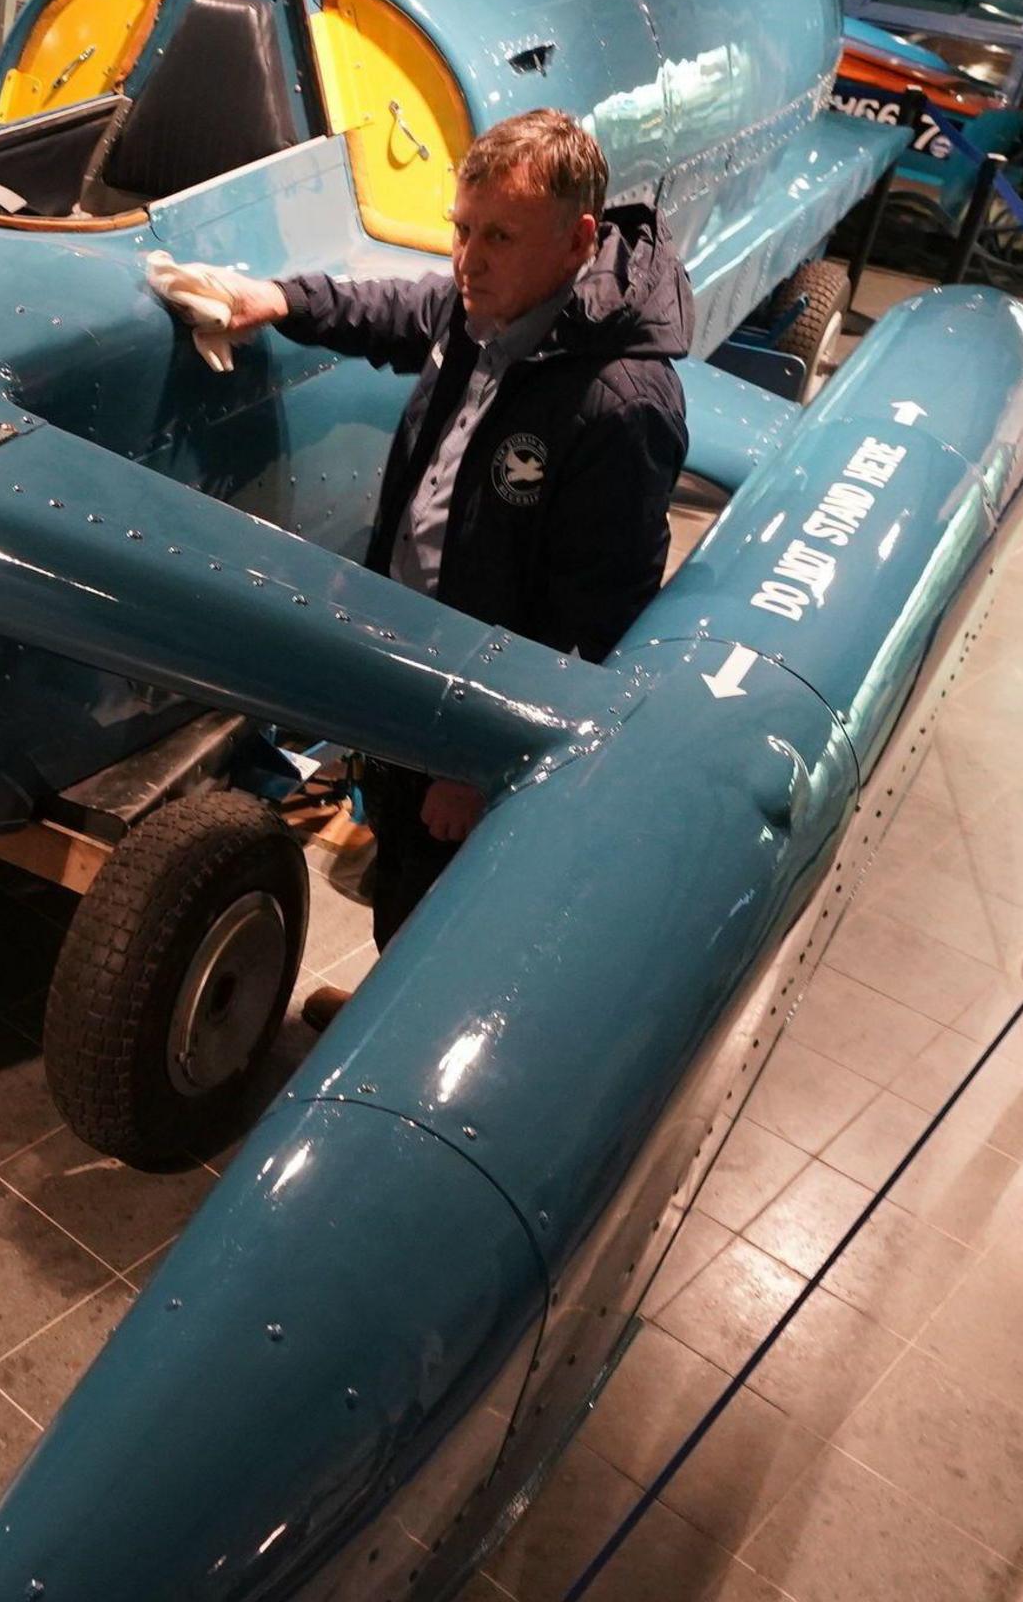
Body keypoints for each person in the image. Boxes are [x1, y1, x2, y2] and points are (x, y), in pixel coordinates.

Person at [162, 108, 692, 1000]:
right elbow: (402, 311)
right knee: (397, 860)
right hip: (414, 658)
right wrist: (281, 299)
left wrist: (481, 760)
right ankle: (386, 995)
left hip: (476, 711)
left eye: (499, 237)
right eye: (461, 229)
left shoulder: (620, 402)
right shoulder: (494, 305)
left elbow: (595, 622)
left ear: (579, 241)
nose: (467, 259)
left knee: (446, 898)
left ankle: (402, 1055)